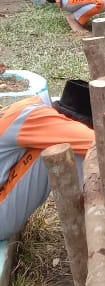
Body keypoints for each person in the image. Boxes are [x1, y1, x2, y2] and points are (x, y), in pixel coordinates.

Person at [0, 80, 95, 241]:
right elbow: (100, 145)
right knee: (69, 148)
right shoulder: (34, 117)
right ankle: (96, 227)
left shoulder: (32, 108)